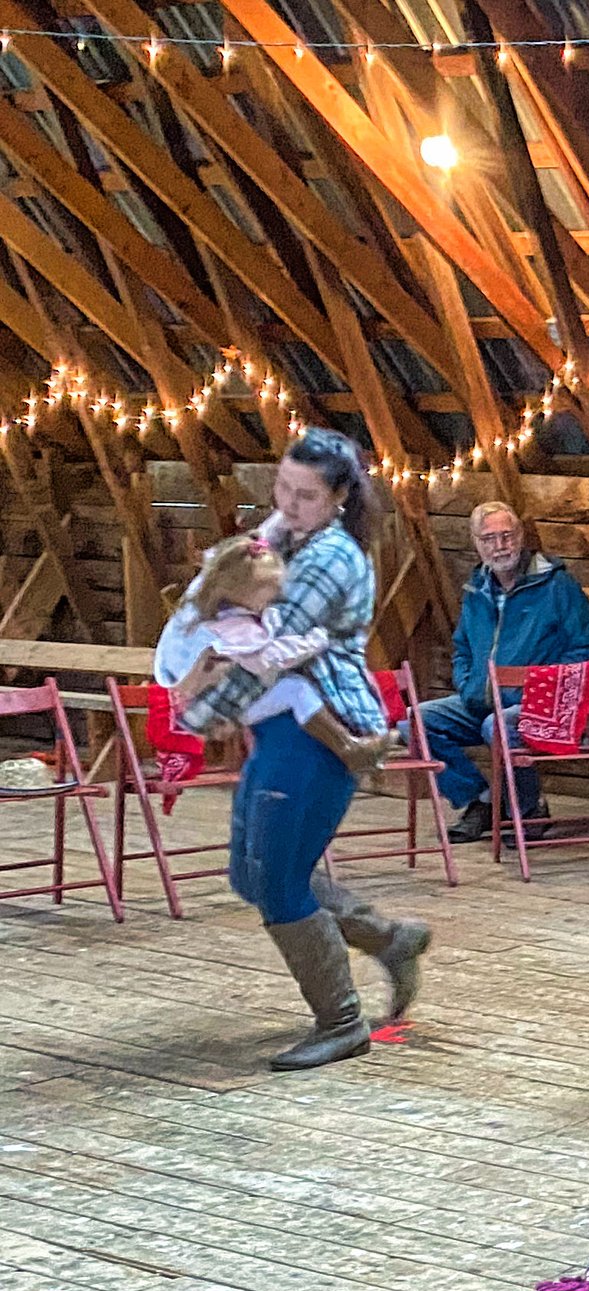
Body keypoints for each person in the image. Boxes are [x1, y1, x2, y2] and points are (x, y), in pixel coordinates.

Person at [195, 430, 429, 1069]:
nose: (288, 503)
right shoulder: (287, 539)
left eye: (305, 495)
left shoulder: (330, 559)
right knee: (251, 874)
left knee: (277, 882)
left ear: (340, 496)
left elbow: (266, 655)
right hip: (282, 727)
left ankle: (341, 1022)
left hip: (323, 730)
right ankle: (390, 939)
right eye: (282, 489)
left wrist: (200, 715)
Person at [414, 501, 589, 843]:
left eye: (507, 535)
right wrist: (469, 684)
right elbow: (463, 649)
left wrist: (538, 685)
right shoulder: (476, 590)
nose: (499, 546)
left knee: (499, 725)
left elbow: (586, 649)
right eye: (489, 539)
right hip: (482, 698)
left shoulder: (556, 586)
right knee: (416, 721)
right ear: (476, 543)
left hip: (539, 703)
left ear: (520, 536)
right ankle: (481, 800)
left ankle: (530, 809)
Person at [157, 531, 388, 775]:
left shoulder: (216, 609)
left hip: (210, 699)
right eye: (271, 591)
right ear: (245, 591)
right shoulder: (232, 627)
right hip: (206, 710)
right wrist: (315, 641)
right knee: (296, 689)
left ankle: (351, 746)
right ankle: (349, 749)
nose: (276, 596)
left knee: (297, 685)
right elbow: (271, 657)